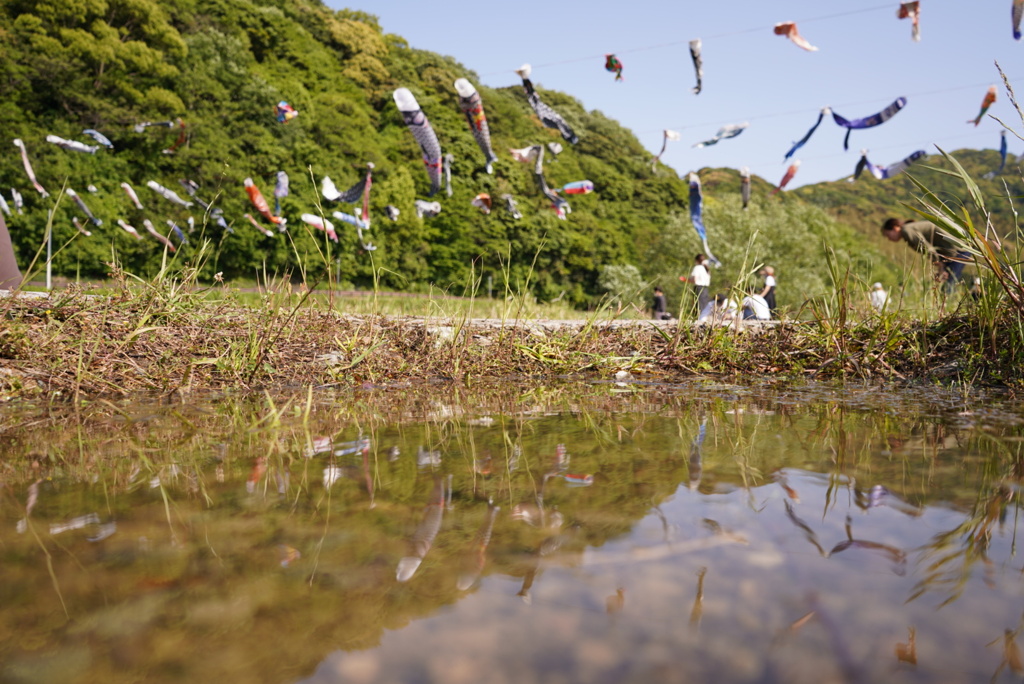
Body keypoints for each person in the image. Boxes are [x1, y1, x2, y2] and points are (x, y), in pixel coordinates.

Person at [880, 218, 971, 290]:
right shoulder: (909, 228)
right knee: (946, 282)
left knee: (949, 283)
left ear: (895, 228)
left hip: (957, 250)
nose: (889, 239)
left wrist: (940, 266)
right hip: (955, 249)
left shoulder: (906, 230)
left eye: (888, 235)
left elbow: (926, 248)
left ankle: (949, 308)